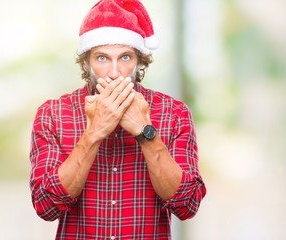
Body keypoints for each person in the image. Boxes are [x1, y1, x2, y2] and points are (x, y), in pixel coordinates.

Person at [29, 0, 206, 239]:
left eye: (125, 57)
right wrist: (94, 133)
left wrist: (146, 132)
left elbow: (187, 205)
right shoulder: (53, 114)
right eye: (102, 58)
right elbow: (46, 206)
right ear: (87, 61)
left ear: (139, 60)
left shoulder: (173, 113)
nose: (114, 72)